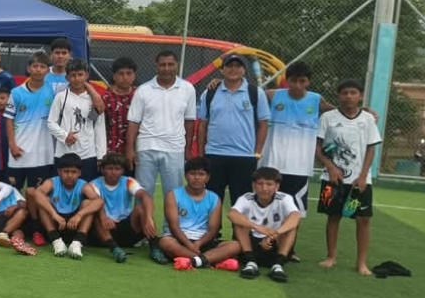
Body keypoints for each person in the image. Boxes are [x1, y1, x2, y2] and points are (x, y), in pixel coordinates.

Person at [318, 84, 382, 275]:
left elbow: (371, 148)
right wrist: (331, 167)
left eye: (353, 93)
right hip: (332, 178)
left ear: (360, 96)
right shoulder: (327, 118)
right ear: (338, 96)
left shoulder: (368, 119)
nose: (348, 96)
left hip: (359, 180)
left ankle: (361, 263)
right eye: (344, 93)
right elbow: (317, 147)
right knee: (333, 216)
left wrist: (363, 176)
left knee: (363, 219)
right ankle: (331, 256)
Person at [195, 55, 271, 215]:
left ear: (244, 70)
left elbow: (263, 124)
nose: (233, 69)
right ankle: (212, 231)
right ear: (222, 70)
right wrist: (201, 154)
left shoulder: (255, 93)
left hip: (244, 157)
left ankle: (241, 232)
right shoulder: (210, 92)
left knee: (242, 206)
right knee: (211, 204)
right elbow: (202, 125)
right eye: (229, 66)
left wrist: (257, 152)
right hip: (214, 155)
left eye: (238, 66)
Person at [126, 50, 198, 209]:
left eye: (170, 64)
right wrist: (130, 149)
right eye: (162, 65)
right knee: (143, 193)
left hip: (174, 148)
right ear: (156, 66)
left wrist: (187, 149)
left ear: (177, 65)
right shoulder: (143, 90)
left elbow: (189, 121)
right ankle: (142, 225)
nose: (166, 68)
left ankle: (170, 226)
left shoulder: (188, 89)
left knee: (174, 195)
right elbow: (133, 122)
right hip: (146, 147)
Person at [265, 63, 325, 247]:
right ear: (287, 80)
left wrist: (365, 111)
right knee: (268, 207)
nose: (297, 85)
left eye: (302, 81)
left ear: (308, 82)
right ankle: (267, 246)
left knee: (295, 211)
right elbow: (245, 94)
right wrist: (220, 82)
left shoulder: (316, 100)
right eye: (293, 81)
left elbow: (342, 111)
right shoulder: (272, 95)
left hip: (299, 168)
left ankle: (288, 249)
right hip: (272, 165)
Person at [154, 158, 239, 270]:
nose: (197, 178)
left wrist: (198, 243)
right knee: (165, 242)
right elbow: (174, 227)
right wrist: (189, 245)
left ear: (207, 177)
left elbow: (213, 229)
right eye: (193, 174)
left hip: (203, 241)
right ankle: (208, 260)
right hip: (180, 239)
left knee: (235, 245)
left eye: (201, 174)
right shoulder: (173, 195)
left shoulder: (214, 198)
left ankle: (194, 260)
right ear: (186, 176)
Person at [229, 171, 302, 282]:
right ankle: (250, 262)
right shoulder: (246, 198)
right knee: (240, 222)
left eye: (269, 184)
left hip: (274, 243)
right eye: (260, 184)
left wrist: (274, 234)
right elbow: (232, 214)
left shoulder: (284, 198)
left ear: (277, 186)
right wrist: (257, 227)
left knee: (291, 226)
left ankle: (278, 265)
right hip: (250, 245)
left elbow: (296, 216)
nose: (264, 188)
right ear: (254, 185)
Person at [27, 155, 101, 259]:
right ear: (59, 172)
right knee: (43, 200)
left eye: (74, 172)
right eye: (66, 171)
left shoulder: (84, 185)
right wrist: (54, 214)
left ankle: (77, 243)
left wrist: (79, 215)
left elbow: (99, 201)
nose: (69, 175)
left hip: (74, 222)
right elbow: (37, 194)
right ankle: (56, 241)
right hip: (55, 221)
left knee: (88, 203)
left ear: (79, 173)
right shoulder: (51, 182)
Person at [5, 54, 57, 195]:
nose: (38, 70)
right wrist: (12, 145)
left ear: (47, 70)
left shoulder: (52, 92)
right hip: (19, 152)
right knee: (12, 194)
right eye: (35, 66)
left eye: (42, 66)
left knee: (38, 195)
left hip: (43, 155)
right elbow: (8, 119)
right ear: (28, 68)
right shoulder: (16, 93)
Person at [47, 59, 108, 180]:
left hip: (88, 155)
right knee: (62, 188)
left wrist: (101, 155)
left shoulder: (94, 99)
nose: (77, 79)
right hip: (64, 154)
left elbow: (99, 127)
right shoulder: (61, 97)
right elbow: (51, 122)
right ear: (67, 77)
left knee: (87, 189)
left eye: (80, 74)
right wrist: (65, 136)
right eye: (73, 75)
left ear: (86, 75)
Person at [90, 154, 157, 260]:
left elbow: (144, 196)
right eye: (110, 168)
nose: (113, 172)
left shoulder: (128, 181)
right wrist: (104, 218)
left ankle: (155, 247)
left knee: (140, 209)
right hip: (105, 228)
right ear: (102, 170)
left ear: (122, 171)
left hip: (125, 227)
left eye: (117, 169)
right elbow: (96, 202)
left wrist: (149, 218)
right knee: (96, 214)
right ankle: (114, 249)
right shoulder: (94, 184)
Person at [103, 57, 140, 166]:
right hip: (111, 151)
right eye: (121, 74)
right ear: (114, 76)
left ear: (134, 75)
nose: (125, 77)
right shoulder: (105, 98)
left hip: (137, 150)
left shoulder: (140, 95)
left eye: (129, 73)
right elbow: (93, 121)